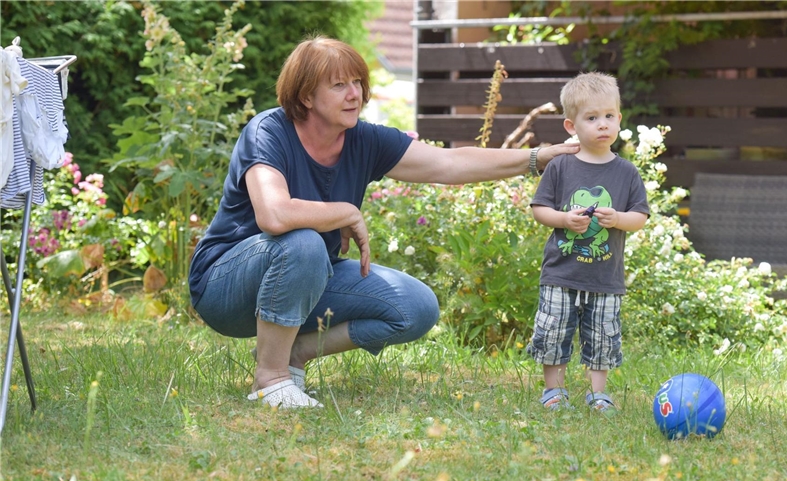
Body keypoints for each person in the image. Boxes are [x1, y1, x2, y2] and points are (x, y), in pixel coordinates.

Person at [188, 36, 579, 409]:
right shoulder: (268, 132)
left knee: (414, 306)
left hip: (305, 276)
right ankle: (270, 380)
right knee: (303, 241)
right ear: (306, 96)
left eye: (357, 82)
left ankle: (293, 352)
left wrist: (537, 158)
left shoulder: (363, 140)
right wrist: (347, 212)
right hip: (227, 286)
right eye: (339, 85)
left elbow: (449, 163)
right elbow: (274, 215)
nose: (355, 93)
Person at [526, 72, 649, 413]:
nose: (602, 125)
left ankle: (598, 392)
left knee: (603, 336)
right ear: (571, 126)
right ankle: (554, 390)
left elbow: (639, 217)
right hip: (561, 272)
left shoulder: (626, 173)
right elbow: (540, 209)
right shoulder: (561, 167)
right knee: (553, 330)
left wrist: (618, 219)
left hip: (605, 277)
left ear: (619, 119)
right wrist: (565, 220)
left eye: (609, 116)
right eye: (592, 118)